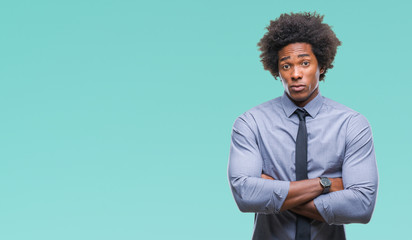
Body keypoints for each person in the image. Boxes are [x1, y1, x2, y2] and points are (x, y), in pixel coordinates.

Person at [227, 12, 378, 240]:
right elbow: (245, 196)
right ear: (277, 71)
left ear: (322, 65)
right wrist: (325, 184)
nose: (296, 74)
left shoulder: (352, 124)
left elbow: (362, 206)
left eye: (305, 63)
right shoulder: (251, 123)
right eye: (286, 66)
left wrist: (274, 189)